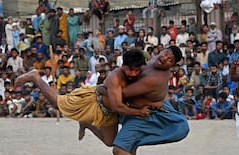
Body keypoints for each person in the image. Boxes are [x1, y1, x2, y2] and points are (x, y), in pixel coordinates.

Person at [15, 49, 150, 144]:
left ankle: (86, 124)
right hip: (92, 101)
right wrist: (139, 112)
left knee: (110, 142)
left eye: (137, 70)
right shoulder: (115, 76)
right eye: (130, 70)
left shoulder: (142, 75)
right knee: (58, 102)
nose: (133, 73)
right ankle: (35, 77)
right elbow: (117, 105)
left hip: (109, 112)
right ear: (123, 66)